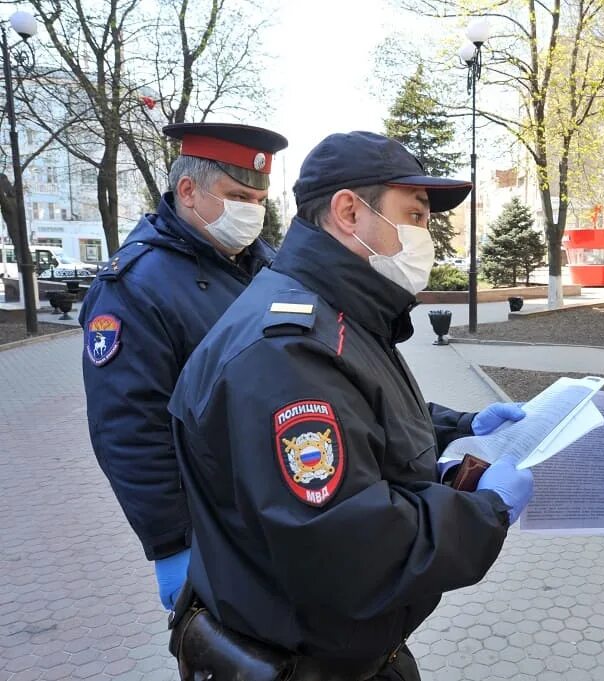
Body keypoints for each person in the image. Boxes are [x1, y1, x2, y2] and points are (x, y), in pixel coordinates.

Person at [166, 131, 534, 680]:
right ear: (348, 212)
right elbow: (347, 544)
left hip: (341, 652)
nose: (424, 235)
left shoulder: (332, 314)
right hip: (305, 663)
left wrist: (459, 429)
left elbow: (362, 414)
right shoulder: (288, 350)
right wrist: (485, 512)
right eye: (414, 215)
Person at [79, 123, 288, 611]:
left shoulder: (267, 268)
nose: (251, 213)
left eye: (258, 200)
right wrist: (172, 542)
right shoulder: (133, 287)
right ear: (188, 190)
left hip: (283, 504)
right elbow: (128, 428)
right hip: (212, 527)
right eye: (238, 196)